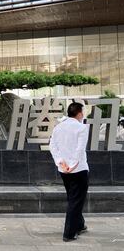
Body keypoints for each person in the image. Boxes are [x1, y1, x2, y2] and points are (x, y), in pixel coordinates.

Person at [49, 102, 90, 242]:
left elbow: (52, 146)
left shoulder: (58, 127)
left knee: (73, 198)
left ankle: (80, 224)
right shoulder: (81, 128)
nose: (83, 114)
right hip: (78, 169)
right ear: (79, 112)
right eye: (82, 112)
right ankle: (69, 233)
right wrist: (72, 165)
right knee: (76, 200)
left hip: (64, 170)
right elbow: (79, 149)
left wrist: (61, 162)